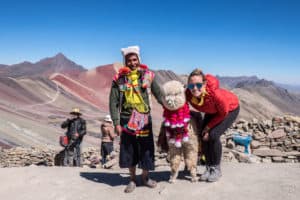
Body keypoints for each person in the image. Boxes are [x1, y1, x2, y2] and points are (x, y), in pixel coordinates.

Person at [109, 45, 162, 193]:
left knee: (146, 149)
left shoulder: (148, 76)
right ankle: (132, 179)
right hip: (126, 120)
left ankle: (145, 178)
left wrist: (171, 107)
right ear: (125, 62)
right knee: (129, 149)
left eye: (134, 59)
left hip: (144, 119)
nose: (132, 63)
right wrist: (116, 122)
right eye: (129, 60)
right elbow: (113, 102)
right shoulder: (119, 80)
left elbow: (159, 94)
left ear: (139, 59)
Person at [185, 69, 240, 182]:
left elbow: (223, 113)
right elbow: (183, 104)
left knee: (213, 135)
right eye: (191, 85)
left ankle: (216, 169)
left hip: (229, 110)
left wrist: (208, 127)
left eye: (198, 85)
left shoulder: (216, 95)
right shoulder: (189, 93)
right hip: (213, 111)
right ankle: (208, 167)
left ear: (204, 84)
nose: (194, 88)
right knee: (203, 136)